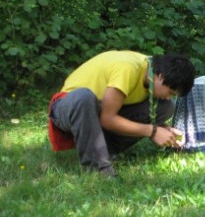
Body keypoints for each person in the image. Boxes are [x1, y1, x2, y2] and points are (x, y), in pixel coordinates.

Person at [48, 51, 196, 178]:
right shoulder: (128, 68)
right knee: (84, 97)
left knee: (166, 107)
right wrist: (152, 131)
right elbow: (107, 119)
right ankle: (98, 169)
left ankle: (107, 149)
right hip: (68, 105)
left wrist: (163, 129)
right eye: (170, 92)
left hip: (100, 109)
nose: (168, 96)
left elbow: (109, 113)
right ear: (161, 77)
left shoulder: (152, 71)